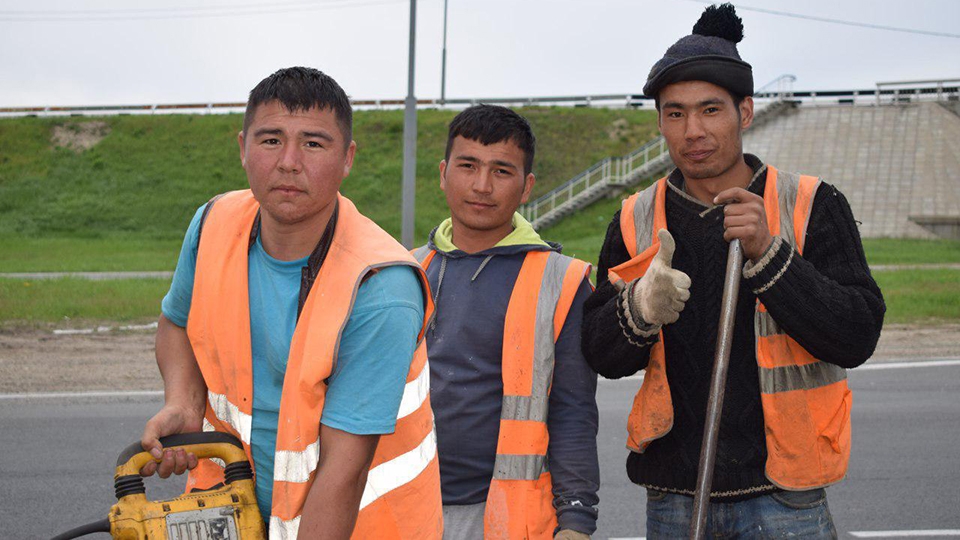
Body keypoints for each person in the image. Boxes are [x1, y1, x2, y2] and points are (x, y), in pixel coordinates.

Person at [580, 4, 885, 537]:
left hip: (784, 495)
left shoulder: (810, 203)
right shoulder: (636, 218)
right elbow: (601, 355)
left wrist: (771, 254)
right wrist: (639, 308)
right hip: (675, 495)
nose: (692, 130)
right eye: (674, 113)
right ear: (659, 121)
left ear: (744, 112)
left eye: (710, 110)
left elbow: (857, 335)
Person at [138, 66, 442, 539]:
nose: (289, 162)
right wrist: (184, 402)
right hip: (233, 511)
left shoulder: (381, 286)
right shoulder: (214, 223)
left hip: (364, 525)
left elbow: (343, 474)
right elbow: (176, 324)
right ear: (242, 147)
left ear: (348, 158)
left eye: (314, 143)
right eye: (271, 139)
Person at [413, 105, 600, 540]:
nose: (481, 185)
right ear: (444, 174)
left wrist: (576, 519)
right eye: (468, 166)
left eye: (501, 170)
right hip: (403, 505)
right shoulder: (405, 272)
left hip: (502, 518)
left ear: (527, 186)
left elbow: (573, 412)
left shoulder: (562, 280)